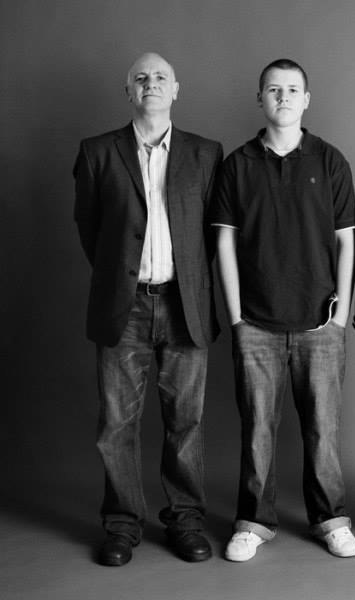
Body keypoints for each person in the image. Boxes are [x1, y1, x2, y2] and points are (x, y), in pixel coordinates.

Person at [73, 53, 222, 566]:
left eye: (160, 77)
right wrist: (123, 277)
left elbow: (212, 230)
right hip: (124, 305)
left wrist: (188, 281)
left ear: (176, 89)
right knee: (117, 423)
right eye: (141, 78)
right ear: (128, 91)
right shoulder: (97, 152)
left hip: (186, 304)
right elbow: (90, 227)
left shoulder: (206, 153)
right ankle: (121, 525)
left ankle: (186, 521)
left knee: (187, 422)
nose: (150, 83)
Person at [211, 59, 355, 562]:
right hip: (255, 323)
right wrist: (236, 317)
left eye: (293, 89)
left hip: (321, 322)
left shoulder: (330, 160)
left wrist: (341, 317)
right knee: (257, 429)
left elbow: (347, 241)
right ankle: (253, 522)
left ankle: (331, 519)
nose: (283, 97)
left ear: (307, 99)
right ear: (260, 99)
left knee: (324, 430)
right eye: (273, 89)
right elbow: (225, 243)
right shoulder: (237, 165)